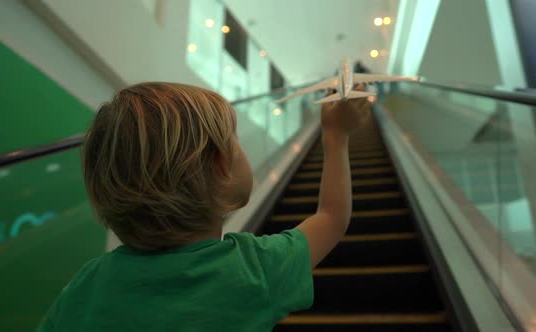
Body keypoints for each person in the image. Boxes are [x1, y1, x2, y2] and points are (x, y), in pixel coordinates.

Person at [36, 82, 371, 331]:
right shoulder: (254, 270)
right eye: (235, 140)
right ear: (222, 165)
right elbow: (332, 216)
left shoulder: (85, 286)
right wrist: (335, 135)